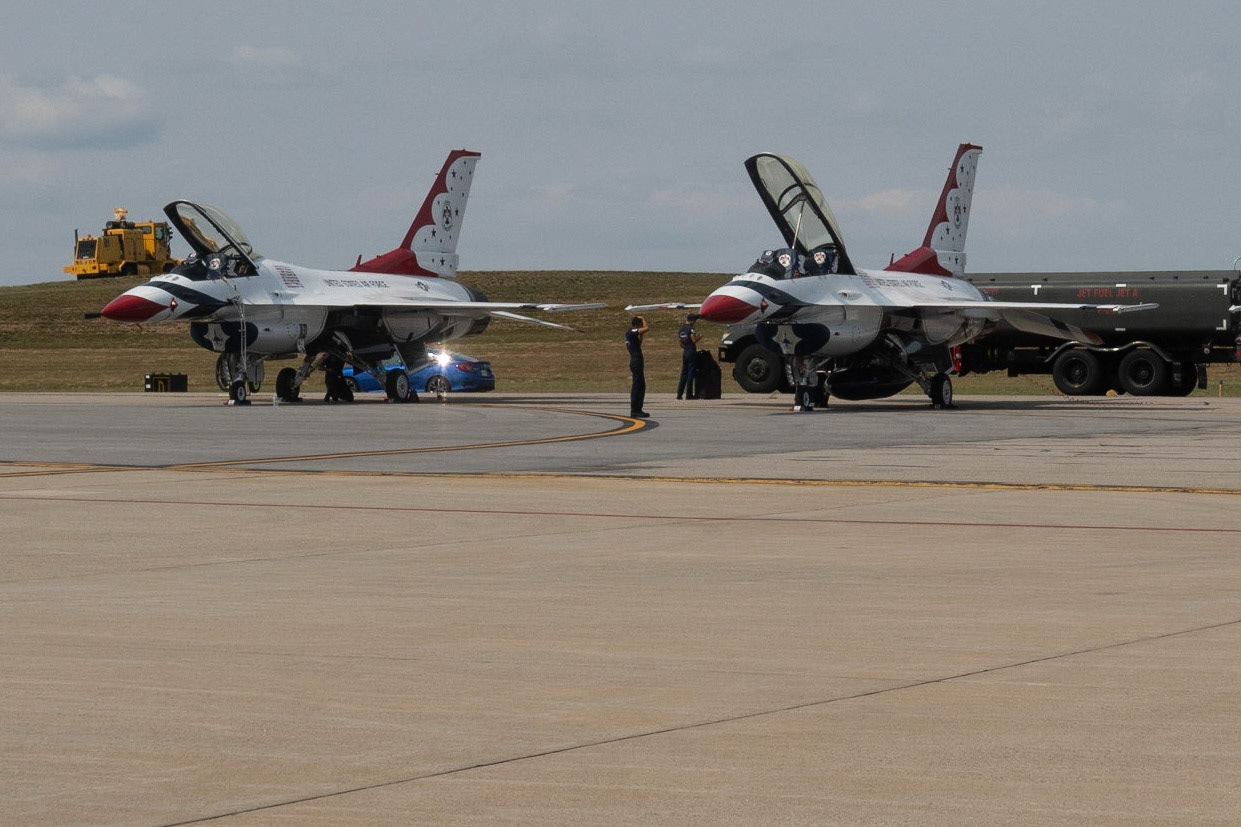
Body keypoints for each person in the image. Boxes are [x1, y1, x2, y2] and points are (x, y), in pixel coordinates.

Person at [626, 315, 650, 417]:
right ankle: (635, 409)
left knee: (641, 385)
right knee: (637, 385)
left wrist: (641, 334)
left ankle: (638, 408)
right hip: (636, 361)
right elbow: (646, 328)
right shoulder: (631, 331)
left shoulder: (632, 335)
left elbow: (639, 342)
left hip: (637, 361)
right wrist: (643, 319)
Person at [676, 313, 702, 399]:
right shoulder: (691, 329)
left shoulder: (682, 329)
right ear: (692, 321)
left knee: (684, 373)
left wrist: (686, 347)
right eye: (695, 321)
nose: (695, 322)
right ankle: (689, 394)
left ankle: (679, 394)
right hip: (691, 352)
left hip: (685, 352)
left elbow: (680, 343)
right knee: (691, 373)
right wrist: (699, 337)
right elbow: (694, 340)